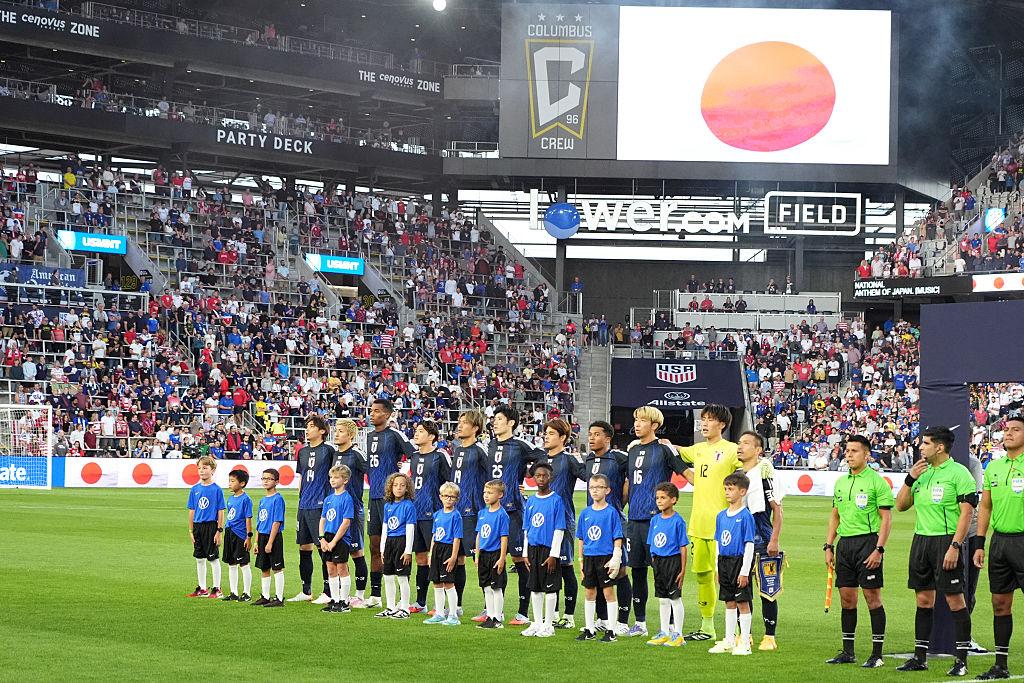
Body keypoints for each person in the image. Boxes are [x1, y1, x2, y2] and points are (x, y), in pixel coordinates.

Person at [894, 426, 977, 676]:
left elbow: (966, 513)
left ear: (940, 447)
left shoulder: (959, 474)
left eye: (926, 443)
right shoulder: (921, 472)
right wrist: (910, 478)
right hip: (921, 541)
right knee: (923, 600)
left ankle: (961, 660)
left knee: (955, 600)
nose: (921, 447)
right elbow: (900, 505)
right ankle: (920, 658)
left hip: (946, 541)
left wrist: (955, 545)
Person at [665, 404, 741, 641]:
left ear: (722, 424)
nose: (704, 423)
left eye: (710, 419)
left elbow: (750, 468)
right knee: (703, 576)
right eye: (703, 419)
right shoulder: (697, 449)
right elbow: (677, 450)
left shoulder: (732, 450)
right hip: (698, 525)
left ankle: (738, 631)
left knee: (728, 579)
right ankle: (707, 627)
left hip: (724, 527)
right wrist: (661, 443)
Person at [824, 435, 893, 668]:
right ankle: (848, 652)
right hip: (845, 546)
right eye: (847, 450)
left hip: (868, 543)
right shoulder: (841, 482)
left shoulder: (877, 482)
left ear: (866, 454)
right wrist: (829, 546)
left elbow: (886, 519)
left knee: (872, 597)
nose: (849, 454)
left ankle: (877, 654)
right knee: (847, 599)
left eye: (854, 451)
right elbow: (835, 516)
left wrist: (879, 549)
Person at [624, 406, 687, 638]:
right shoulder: (631, 450)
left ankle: (670, 627)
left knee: (664, 572)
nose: (637, 424)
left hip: (658, 521)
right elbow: (628, 484)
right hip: (634, 520)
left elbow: (686, 473)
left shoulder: (663, 449)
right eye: (636, 420)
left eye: (642, 420)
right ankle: (640, 623)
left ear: (654, 425)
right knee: (637, 572)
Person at [972, 415, 1024, 680]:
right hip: (1000, 543)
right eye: (1007, 429)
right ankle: (1000, 665)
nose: (1009, 433)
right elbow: (986, 507)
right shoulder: (993, 467)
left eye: (1016, 430)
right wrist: (980, 543)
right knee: (1000, 604)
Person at [483, 406, 545, 624]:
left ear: (511, 423)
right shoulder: (490, 444)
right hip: (492, 512)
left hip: (513, 510)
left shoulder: (519, 444)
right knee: (491, 557)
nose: (494, 422)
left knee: (519, 559)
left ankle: (523, 612)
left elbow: (542, 457)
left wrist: (527, 476)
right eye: (494, 419)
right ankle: (492, 610)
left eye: (499, 419)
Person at [366, 399, 416, 608]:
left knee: (397, 546)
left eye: (377, 411)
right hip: (373, 497)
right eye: (371, 410)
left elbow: (414, 454)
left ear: (387, 415)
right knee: (374, 546)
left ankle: (403, 597)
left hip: (391, 500)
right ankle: (376, 595)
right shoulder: (369, 436)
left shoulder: (395, 435)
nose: (372, 414)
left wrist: (402, 478)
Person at [737, 431, 784, 651]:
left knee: (768, 590)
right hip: (741, 541)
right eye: (739, 443)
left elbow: (778, 510)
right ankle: (745, 634)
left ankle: (769, 636)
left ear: (758, 450)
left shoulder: (766, 475)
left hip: (763, 539)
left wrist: (774, 540)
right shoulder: (737, 476)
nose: (740, 446)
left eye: (746, 443)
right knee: (741, 588)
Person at [585, 421, 632, 634]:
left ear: (608, 438)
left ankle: (622, 621)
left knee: (619, 571)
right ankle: (603, 619)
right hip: (593, 523)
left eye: (597, 434)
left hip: (614, 520)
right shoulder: (588, 460)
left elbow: (630, 480)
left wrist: (620, 504)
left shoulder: (619, 458)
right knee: (597, 571)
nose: (591, 438)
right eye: (590, 434)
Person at [538, 418, 584, 629]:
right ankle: (554, 614)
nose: (546, 436)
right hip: (543, 523)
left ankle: (570, 616)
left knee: (565, 567)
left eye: (551, 433)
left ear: (563, 437)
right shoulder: (541, 460)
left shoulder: (569, 460)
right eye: (545, 433)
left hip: (563, 521)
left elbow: (589, 476)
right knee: (549, 567)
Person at [290, 414, 337, 604]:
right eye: (307, 426)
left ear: (322, 431)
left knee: (322, 546)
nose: (307, 429)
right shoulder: (302, 452)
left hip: (320, 505)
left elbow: (336, 475)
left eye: (311, 426)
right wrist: (300, 496)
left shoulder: (329, 450)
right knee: (304, 546)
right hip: (304, 505)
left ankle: (328, 591)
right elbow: (302, 476)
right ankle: (306, 590)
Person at [708, 472, 756, 656]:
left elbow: (749, 544)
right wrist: (717, 567)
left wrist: (744, 571)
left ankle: (745, 643)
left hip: (739, 561)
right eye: (726, 489)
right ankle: (729, 640)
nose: (727, 492)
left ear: (742, 491)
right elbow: (718, 543)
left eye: (731, 489)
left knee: (742, 602)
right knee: (729, 601)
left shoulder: (745, 516)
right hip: (724, 562)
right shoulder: (721, 516)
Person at [575, 473, 625, 643]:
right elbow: (581, 539)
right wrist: (581, 560)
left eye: (599, 487)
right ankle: (589, 629)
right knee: (589, 592)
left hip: (605, 558)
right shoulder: (585, 513)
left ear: (607, 490)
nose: (595, 491)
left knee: (608, 592)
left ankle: (611, 630)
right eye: (592, 487)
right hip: (589, 557)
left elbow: (617, 536)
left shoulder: (611, 513)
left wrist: (616, 557)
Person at [520, 462, 566, 638]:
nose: (541, 479)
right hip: (533, 549)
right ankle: (537, 623)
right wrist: (525, 553)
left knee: (550, 587)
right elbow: (527, 528)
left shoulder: (556, 500)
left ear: (550, 477)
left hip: (548, 550)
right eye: (538, 476)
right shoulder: (531, 501)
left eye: (544, 476)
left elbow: (559, 528)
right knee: (535, 587)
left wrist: (554, 554)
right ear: (533, 478)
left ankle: (548, 625)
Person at [409, 421, 450, 614]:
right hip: (415, 513)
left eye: (420, 431)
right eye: (416, 431)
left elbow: (450, 482)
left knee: (437, 558)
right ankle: (420, 602)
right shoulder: (414, 456)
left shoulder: (440, 456)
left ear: (431, 436)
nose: (416, 434)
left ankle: (442, 604)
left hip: (433, 514)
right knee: (420, 558)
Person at [450, 410, 487, 618]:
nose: (460, 425)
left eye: (465, 422)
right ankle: (457, 605)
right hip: (455, 512)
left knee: (480, 559)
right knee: (457, 558)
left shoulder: (480, 450)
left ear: (475, 428)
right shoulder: (457, 450)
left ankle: (490, 607)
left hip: (473, 512)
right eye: (460, 421)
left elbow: (494, 477)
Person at [644, 482, 689, 648]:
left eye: (663, 498)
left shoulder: (678, 521)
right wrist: (654, 559)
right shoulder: (655, 520)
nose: (659, 501)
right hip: (659, 562)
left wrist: (682, 570)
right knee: (663, 599)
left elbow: (683, 546)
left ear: (673, 500)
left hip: (673, 561)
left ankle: (678, 634)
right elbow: (652, 542)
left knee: (675, 598)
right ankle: (664, 632)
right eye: (657, 498)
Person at [332, 419, 370, 607]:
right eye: (336, 430)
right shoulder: (335, 454)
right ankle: (340, 595)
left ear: (351, 435)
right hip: (335, 510)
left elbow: (372, 471)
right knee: (338, 552)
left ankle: (360, 595)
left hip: (353, 509)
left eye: (341, 431)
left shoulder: (356, 454)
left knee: (356, 551)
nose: (336, 434)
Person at [423, 481, 464, 626]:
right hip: (437, 549)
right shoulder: (437, 515)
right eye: (446, 496)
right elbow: (434, 536)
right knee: (437, 583)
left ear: (456, 499)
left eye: (452, 497)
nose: (449, 499)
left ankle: (453, 615)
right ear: (440, 497)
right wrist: (430, 554)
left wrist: (453, 557)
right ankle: (439, 613)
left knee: (448, 583)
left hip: (448, 549)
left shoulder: (456, 516)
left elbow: (457, 538)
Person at [377, 472, 416, 619]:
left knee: (402, 577)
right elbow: (385, 527)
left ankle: (405, 608)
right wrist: (382, 549)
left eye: (402, 485)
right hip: (389, 543)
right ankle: (390, 607)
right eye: (395, 485)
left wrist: (408, 550)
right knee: (387, 576)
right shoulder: (388, 506)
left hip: (401, 542)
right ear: (390, 487)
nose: (398, 488)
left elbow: (410, 528)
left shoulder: (408, 506)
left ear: (407, 488)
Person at [185, 455, 225, 598]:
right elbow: (192, 510)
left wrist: (219, 530)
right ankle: (202, 588)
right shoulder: (194, 489)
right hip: (198, 526)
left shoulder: (217, 490)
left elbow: (220, 511)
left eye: (205, 468)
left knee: (213, 558)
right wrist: (191, 530)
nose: (201, 470)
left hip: (211, 526)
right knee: (199, 558)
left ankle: (217, 588)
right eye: (199, 468)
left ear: (212, 470)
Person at [318, 464, 354, 613]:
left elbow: (346, 522)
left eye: (336, 477)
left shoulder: (347, 498)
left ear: (345, 480)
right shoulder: (328, 499)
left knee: (341, 568)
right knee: (331, 569)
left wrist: (334, 542)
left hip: (340, 538)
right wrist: (322, 538)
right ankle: (335, 600)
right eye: (331, 477)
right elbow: (323, 519)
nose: (332, 480)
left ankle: (344, 602)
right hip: (327, 537)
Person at [476, 480, 511, 629]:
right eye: (485, 492)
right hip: (483, 554)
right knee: (486, 587)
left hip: (495, 554)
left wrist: (502, 558)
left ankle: (497, 618)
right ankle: (489, 616)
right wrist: (477, 554)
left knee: (496, 587)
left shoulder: (502, 515)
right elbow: (479, 535)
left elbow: (504, 538)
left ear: (500, 495)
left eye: (490, 493)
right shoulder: (482, 513)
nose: (486, 495)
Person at [252, 468, 286, 607]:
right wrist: (256, 542)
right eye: (263, 478)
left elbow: (276, 521)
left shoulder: (278, 499)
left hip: (273, 537)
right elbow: (260, 522)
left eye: (269, 479)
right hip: (262, 536)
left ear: (276, 482)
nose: (265, 481)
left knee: (277, 567)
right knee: (264, 567)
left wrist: (270, 542)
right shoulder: (263, 500)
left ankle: (279, 598)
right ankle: (265, 596)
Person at [221, 468, 253, 602]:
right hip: (230, 532)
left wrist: (248, 537)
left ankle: (247, 593)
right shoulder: (230, 499)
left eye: (233, 481)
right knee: (231, 563)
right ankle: (233, 592)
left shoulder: (246, 499)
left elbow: (248, 518)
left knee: (243, 564)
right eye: (229, 480)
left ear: (242, 483)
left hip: (240, 534)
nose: (230, 483)